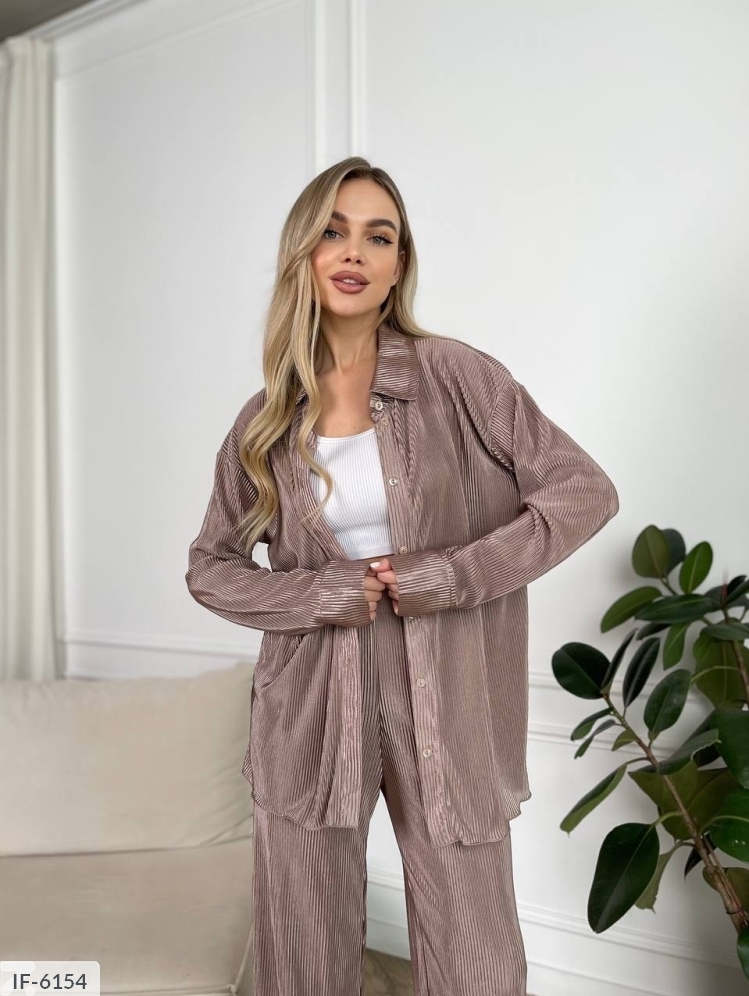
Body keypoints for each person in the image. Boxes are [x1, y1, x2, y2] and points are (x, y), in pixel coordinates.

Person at [185, 156, 619, 996]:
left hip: (447, 688)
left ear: (398, 264)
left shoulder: (454, 375)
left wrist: (451, 574)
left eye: (377, 236)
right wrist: (323, 593)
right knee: (304, 949)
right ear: (304, 254)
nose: (354, 251)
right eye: (333, 232)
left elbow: (582, 491)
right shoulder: (264, 420)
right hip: (309, 699)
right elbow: (211, 567)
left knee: (474, 953)